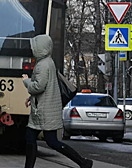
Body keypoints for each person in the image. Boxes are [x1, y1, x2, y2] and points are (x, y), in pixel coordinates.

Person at [22, 35, 92, 168]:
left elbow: (38, 86)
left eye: (35, 46)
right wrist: (31, 98)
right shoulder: (49, 62)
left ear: (40, 48)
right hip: (46, 108)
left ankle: (83, 162)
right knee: (40, 139)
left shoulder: (42, 65)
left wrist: (26, 81)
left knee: (46, 141)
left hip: (43, 111)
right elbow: (47, 89)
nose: (32, 49)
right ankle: (83, 162)